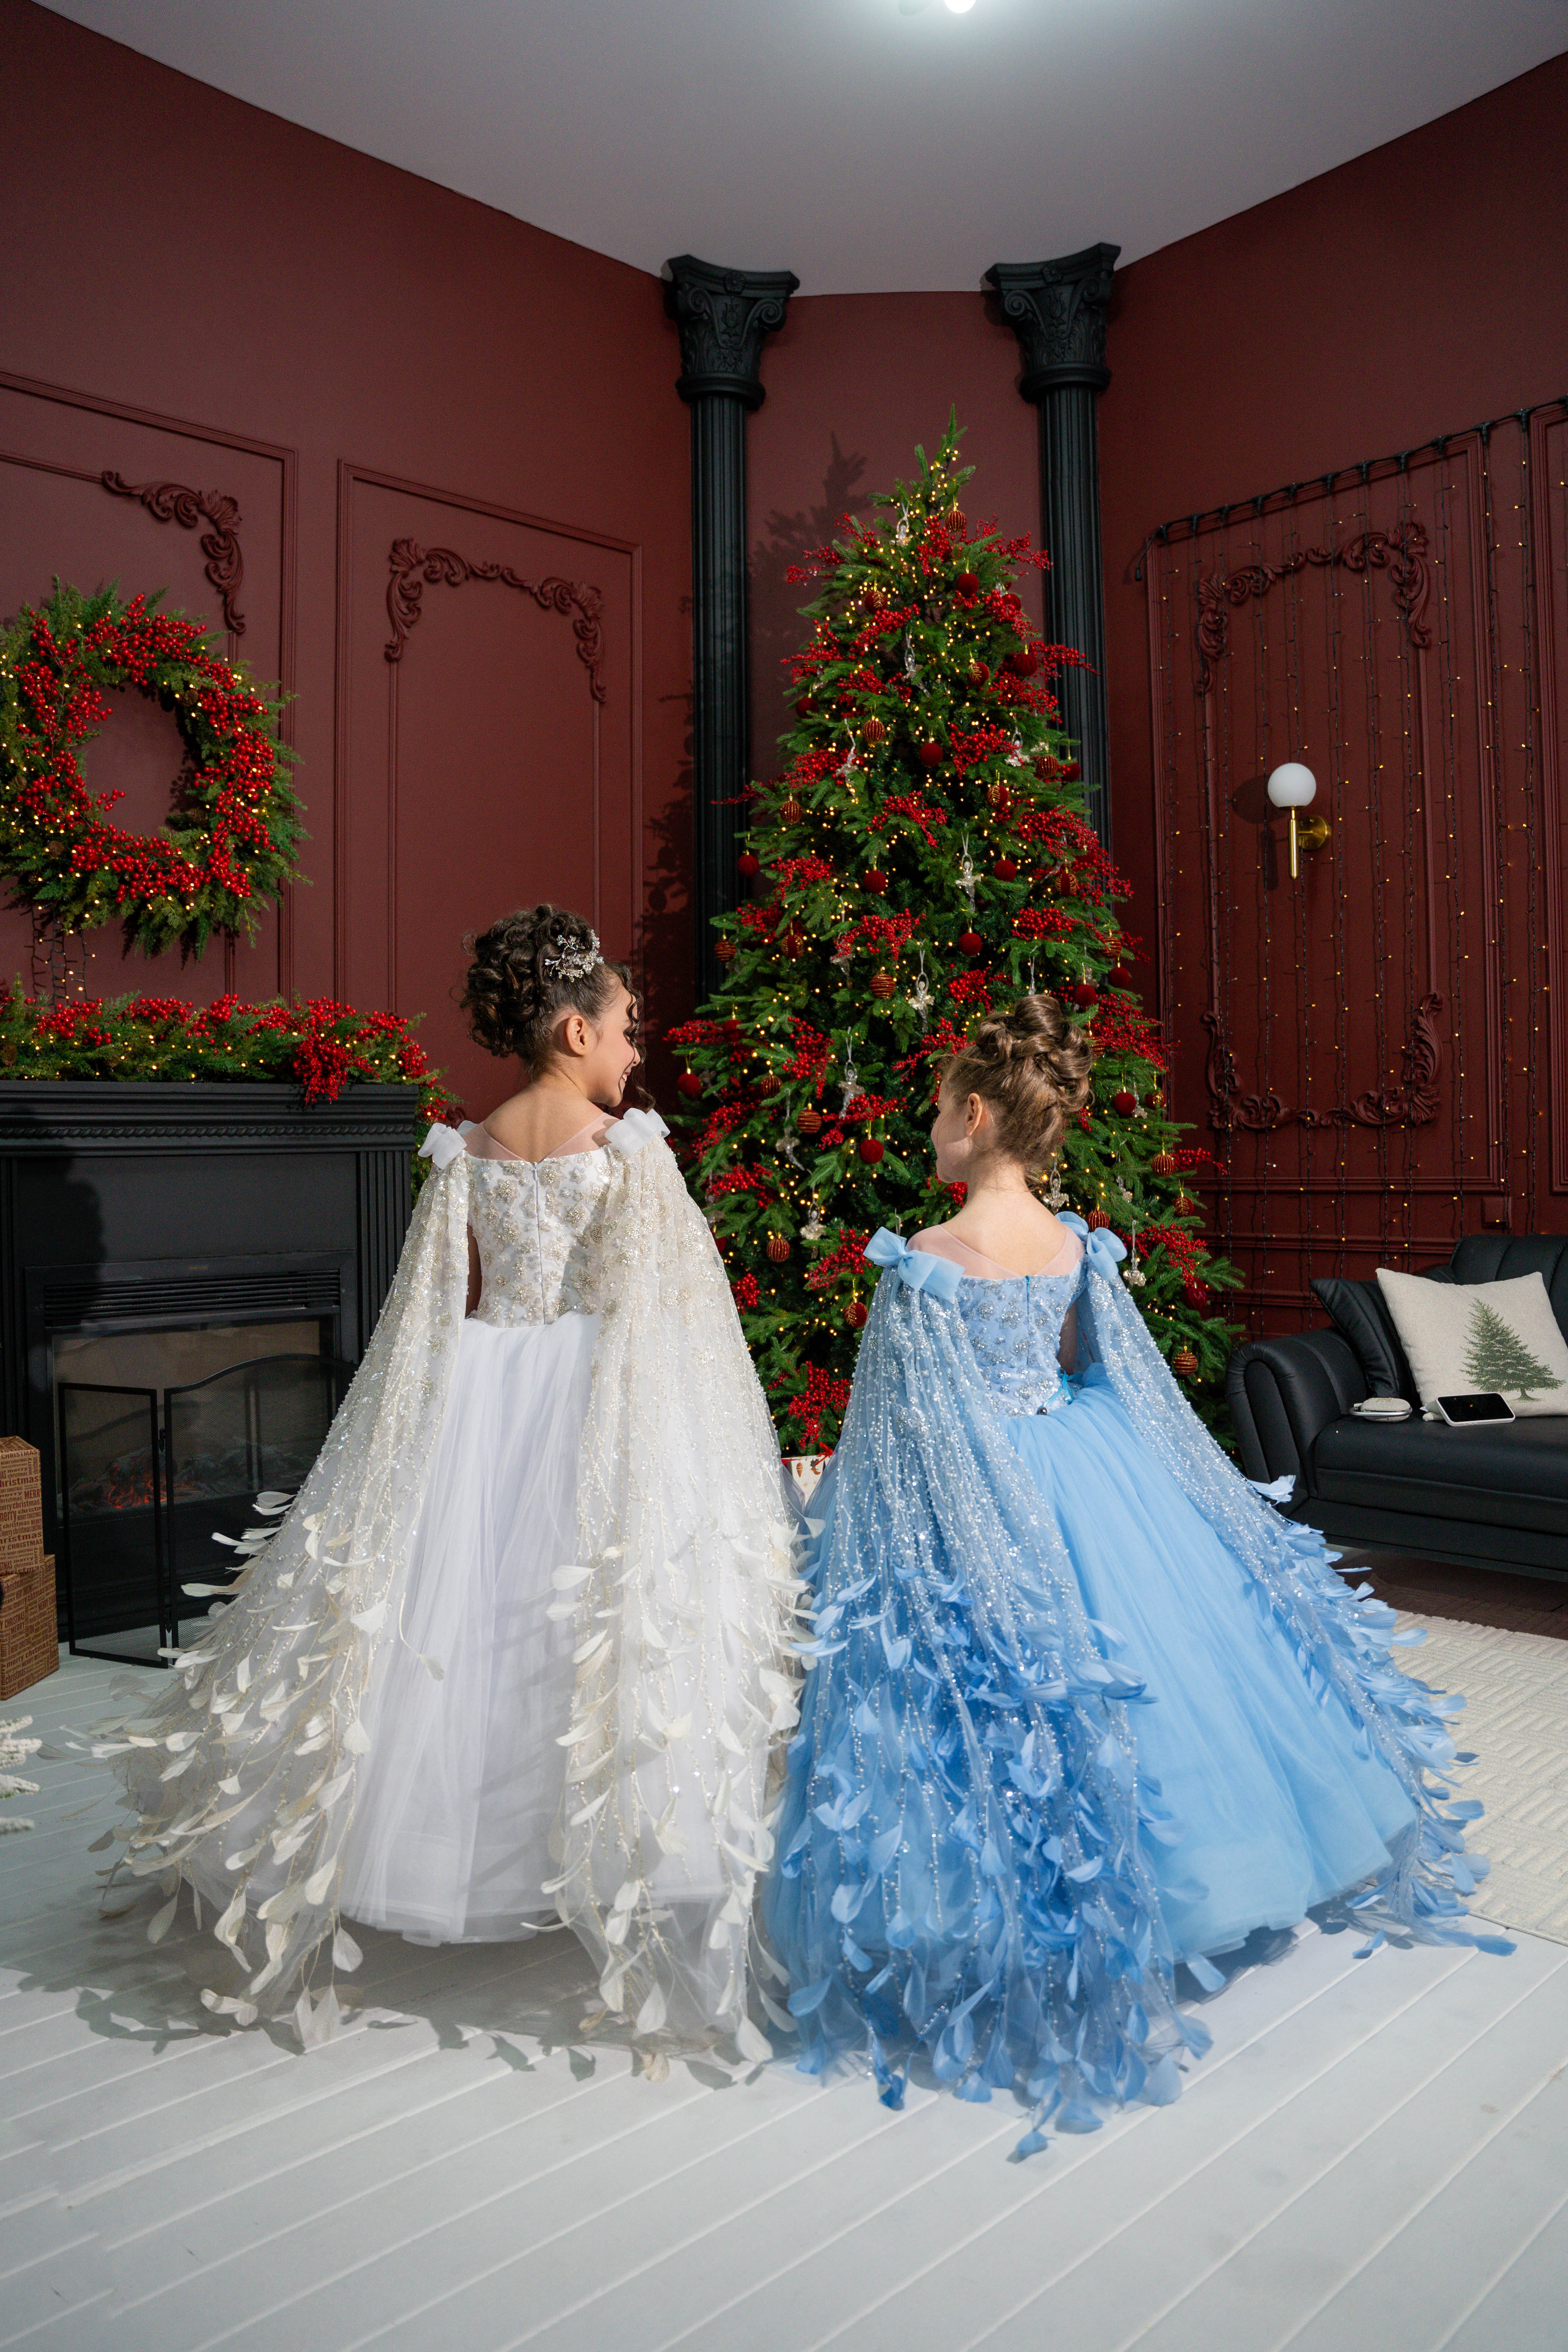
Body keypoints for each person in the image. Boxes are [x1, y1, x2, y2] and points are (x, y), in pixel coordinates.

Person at [762, 995, 1505, 2150]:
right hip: (1088, 1467)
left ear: (971, 1118)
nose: (927, 1134)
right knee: (1155, 1672)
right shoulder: (1072, 1244)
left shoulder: (926, 1261)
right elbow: (1096, 1371)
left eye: (934, 1115)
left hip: (979, 1486)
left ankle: (1016, 1917)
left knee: (996, 1693)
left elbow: (904, 1426)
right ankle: (1196, 1882)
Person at [102, 906, 797, 2060]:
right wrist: (705, 1445)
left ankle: (442, 1848)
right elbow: (676, 1310)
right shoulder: (630, 1152)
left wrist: (399, 1434)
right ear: (575, 1031)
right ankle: (589, 1850)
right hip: (593, 1391)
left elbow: (425, 1318)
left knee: (456, 1628)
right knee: (572, 1624)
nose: (639, 1051)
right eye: (629, 1029)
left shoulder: (466, 1145)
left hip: (477, 1387)